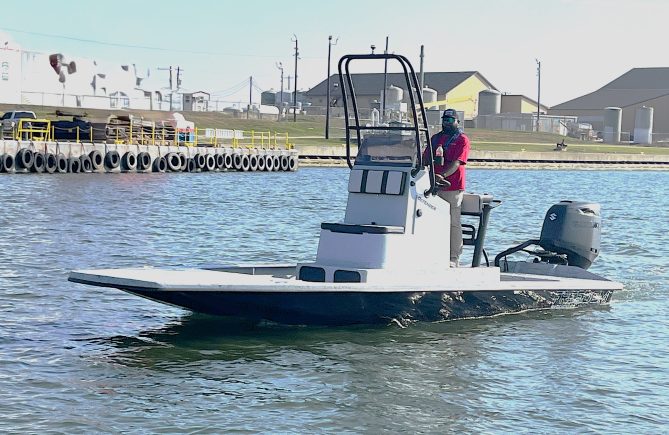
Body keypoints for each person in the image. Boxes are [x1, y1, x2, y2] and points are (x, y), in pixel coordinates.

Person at [425, 108, 471, 267]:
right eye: (444, 120)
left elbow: (457, 163)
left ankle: (453, 257)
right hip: (432, 187)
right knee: (431, 221)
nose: (447, 123)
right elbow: (425, 158)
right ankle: (432, 254)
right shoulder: (435, 138)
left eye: (450, 120)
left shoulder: (462, 140)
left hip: (453, 187)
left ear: (457, 121)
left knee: (453, 222)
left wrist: (442, 175)